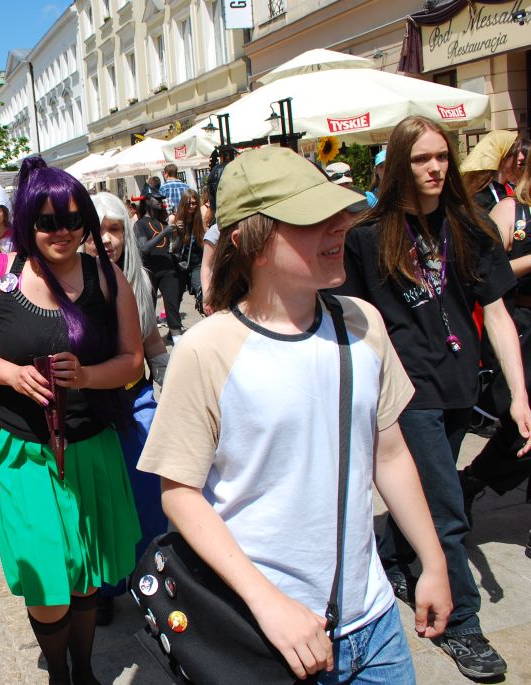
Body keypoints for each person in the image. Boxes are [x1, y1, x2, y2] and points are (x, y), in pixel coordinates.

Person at [139, 146, 452, 683]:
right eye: (313, 220)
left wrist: (434, 560)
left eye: (340, 214)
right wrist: (268, 604)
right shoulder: (207, 350)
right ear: (249, 242)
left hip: (375, 625)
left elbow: (390, 451)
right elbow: (179, 492)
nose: (340, 228)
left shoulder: (363, 324)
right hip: (267, 636)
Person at [336, 116, 531, 680]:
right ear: (401, 164)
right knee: (445, 507)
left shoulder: (469, 227)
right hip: (405, 391)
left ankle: (398, 557)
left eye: (442, 157)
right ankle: (463, 625)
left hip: (459, 385)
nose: (435, 168)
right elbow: (353, 316)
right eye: (422, 159)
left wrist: (518, 393)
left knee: (426, 486)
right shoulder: (367, 237)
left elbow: (496, 311)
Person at [0, 157, 143, 685]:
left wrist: (86, 376)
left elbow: (132, 361)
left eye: (74, 219)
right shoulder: (0, 273)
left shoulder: (107, 277)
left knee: (84, 576)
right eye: (48, 220)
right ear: (26, 222)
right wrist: (12, 375)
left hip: (91, 446)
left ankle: (82, 671)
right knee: (45, 578)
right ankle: (58, 672)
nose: (62, 231)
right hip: (23, 452)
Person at [86, 191, 169, 626]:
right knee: (100, 501)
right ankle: (104, 588)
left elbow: (152, 340)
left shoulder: (140, 280)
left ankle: (148, 578)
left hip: (137, 400)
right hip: (93, 409)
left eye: (115, 229)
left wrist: (170, 384)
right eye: (98, 230)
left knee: (147, 497)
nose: (107, 238)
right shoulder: (70, 288)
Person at [459, 157, 531, 551]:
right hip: (523, 323)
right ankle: (473, 479)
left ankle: (473, 479)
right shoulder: (512, 211)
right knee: (519, 426)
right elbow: (491, 272)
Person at [135, 183, 183, 342]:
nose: (160, 202)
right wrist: (164, 233)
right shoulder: (140, 224)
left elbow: (173, 248)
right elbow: (144, 249)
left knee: (172, 305)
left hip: (168, 269)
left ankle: (177, 339)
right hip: (150, 271)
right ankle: (147, 343)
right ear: (147, 200)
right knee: (148, 309)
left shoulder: (163, 224)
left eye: (161, 199)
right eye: (156, 199)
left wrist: (180, 235)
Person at [461, 130, 526, 211]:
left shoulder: (512, 188)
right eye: (516, 152)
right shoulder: (481, 198)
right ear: (502, 156)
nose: (522, 157)